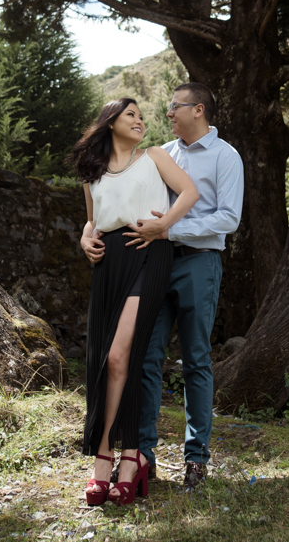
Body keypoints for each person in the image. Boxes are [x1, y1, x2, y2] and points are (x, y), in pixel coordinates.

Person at [83, 83, 243, 491]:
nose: (167, 113)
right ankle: (143, 456)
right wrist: (89, 235)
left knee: (196, 360)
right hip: (152, 263)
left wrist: (169, 230)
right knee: (145, 357)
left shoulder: (226, 156)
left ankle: (196, 459)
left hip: (198, 262)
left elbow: (229, 218)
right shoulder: (161, 153)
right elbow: (112, 199)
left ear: (198, 109)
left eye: (175, 106)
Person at [71, 97, 198, 506]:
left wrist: (164, 226)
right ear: (110, 122)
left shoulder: (155, 156)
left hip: (146, 252)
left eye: (141, 116)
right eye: (131, 115)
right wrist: (85, 239)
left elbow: (190, 192)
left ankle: (121, 457)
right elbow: (93, 220)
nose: (140, 121)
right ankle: (117, 455)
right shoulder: (92, 172)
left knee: (120, 355)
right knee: (104, 358)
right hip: (108, 263)